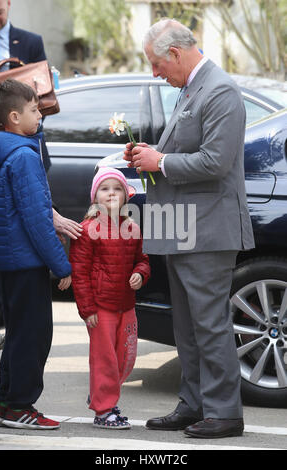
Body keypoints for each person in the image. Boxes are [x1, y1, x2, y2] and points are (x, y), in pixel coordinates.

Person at [124, 18, 255, 439]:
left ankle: (224, 413)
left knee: (209, 323)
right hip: (183, 227)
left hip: (208, 229)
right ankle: (194, 403)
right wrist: (150, 153)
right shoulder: (192, 89)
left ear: (176, 54)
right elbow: (184, 151)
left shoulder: (220, 91)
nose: (155, 72)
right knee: (188, 325)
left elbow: (215, 163)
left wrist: (158, 162)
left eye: (157, 63)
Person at [0, 79, 72, 429]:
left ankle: (6, 400)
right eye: (33, 110)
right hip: (26, 262)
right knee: (34, 334)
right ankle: (19, 405)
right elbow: (38, 220)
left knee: (17, 332)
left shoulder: (8, 148)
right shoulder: (23, 156)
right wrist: (61, 264)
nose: (40, 114)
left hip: (9, 261)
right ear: (14, 116)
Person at [69, 167, 150, 429]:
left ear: (126, 196)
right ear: (95, 196)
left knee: (124, 357)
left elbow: (143, 260)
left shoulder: (132, 227)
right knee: (104, 359)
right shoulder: (87, 229)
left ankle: (101, 394)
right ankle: (104, 410)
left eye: (117, 189)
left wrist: (140, 273)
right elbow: (79, 273)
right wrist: (87, 309)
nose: (111, 193)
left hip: (126, 305)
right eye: (105, 189)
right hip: (101, 308)